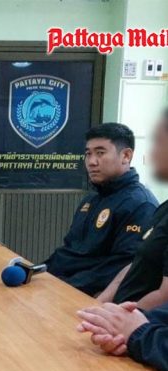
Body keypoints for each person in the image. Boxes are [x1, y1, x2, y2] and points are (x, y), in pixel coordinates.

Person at [45, 123, 158, 296]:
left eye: (100, 153)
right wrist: (39, 272)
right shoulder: (91, 200)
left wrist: (66, 286)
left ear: (126, 156)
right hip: (65, 287)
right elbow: (69, 251)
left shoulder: (141, 204)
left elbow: (124, 266)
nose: (91, 162)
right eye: (88, 154)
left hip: (97, 298)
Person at [95, 110, 168, 309]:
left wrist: (122, 318)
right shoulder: (164, 209)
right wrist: (97, 305)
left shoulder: (142, 202)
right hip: (118, 311)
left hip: (141, 321)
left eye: (159, 143)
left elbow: (164, 295)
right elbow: (136, 264)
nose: (151, 153)